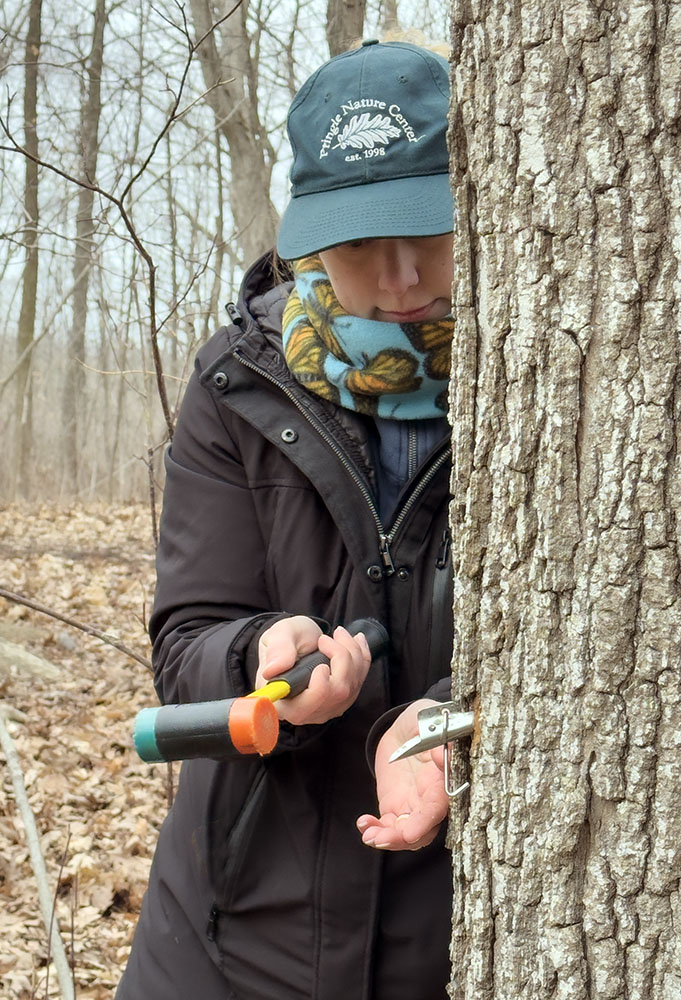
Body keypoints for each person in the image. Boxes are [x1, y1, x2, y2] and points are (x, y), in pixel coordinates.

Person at [116, 37, 455, 1000]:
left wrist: (449, 727)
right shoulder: (237, 383)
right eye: (359, 245)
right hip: (222, 938)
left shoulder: (558, 376)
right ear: (310, 241)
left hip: (445, 943)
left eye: (427, 231)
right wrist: (261, 656)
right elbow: (188, 641)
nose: (400, 280)